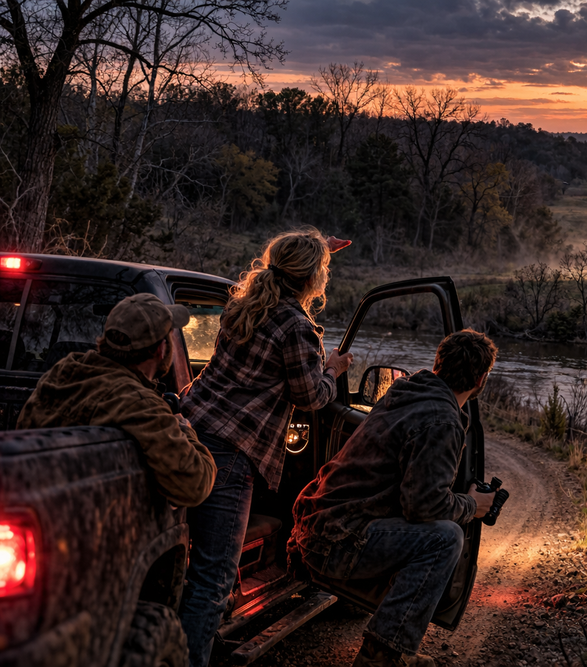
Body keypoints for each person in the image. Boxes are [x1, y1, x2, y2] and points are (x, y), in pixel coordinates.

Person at [177, 229, 354, 667]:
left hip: (187, 431)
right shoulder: (296, 325)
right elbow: (310, 396)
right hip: (231, 453)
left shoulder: (242, 306)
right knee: (213, 576)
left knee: (188, 563)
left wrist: (315, 250)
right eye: (321, 272)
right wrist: (331, 369)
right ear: (312, 278)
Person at [289, 329, 499, 667]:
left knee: (436, 534)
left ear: (437, 364)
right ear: (482, 379)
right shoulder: (442, 420)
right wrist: (474, 506)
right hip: (335, 544)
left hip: (312, 529)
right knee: (446, 539)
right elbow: (423, 507)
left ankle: (392, 650)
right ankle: (382, 656)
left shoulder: (402, 393)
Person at [16, 293, 216, 507]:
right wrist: (185, 429)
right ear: (161, 349)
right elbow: (195, 484)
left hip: (29, 498)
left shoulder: (66, 371)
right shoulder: (139, 403)